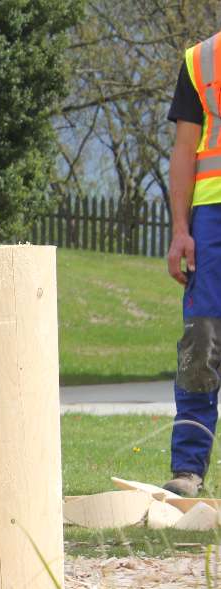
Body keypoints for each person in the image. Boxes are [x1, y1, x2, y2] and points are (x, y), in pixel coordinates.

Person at [164, 30, 221, 497]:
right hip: (210, 222)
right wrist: (180, 230)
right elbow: (185, 149)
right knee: (202, 339)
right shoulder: (202, 61)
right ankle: (188, 467)